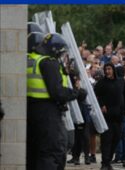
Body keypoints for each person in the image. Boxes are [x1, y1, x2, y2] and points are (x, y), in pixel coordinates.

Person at [27, 32, 79, 170]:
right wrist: (76, 93)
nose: (60, 57)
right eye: (60, 53)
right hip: (48, 113)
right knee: (52, 152)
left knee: (34, 152)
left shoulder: (30, 59)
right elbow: (58, 93)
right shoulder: (48, 62)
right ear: (54, 50)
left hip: (30, 110)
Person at [94, 62, 125, 170]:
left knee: (116, 139)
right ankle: (105, 163)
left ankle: (108, 161)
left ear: (113, 70)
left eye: (109, 69)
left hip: (119, 116)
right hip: (107, 116)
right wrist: (101, 105)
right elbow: (96, 95)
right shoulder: (101, 82)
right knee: (106, 140)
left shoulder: (121, 81)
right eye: (106, 69)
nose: (107, 71)